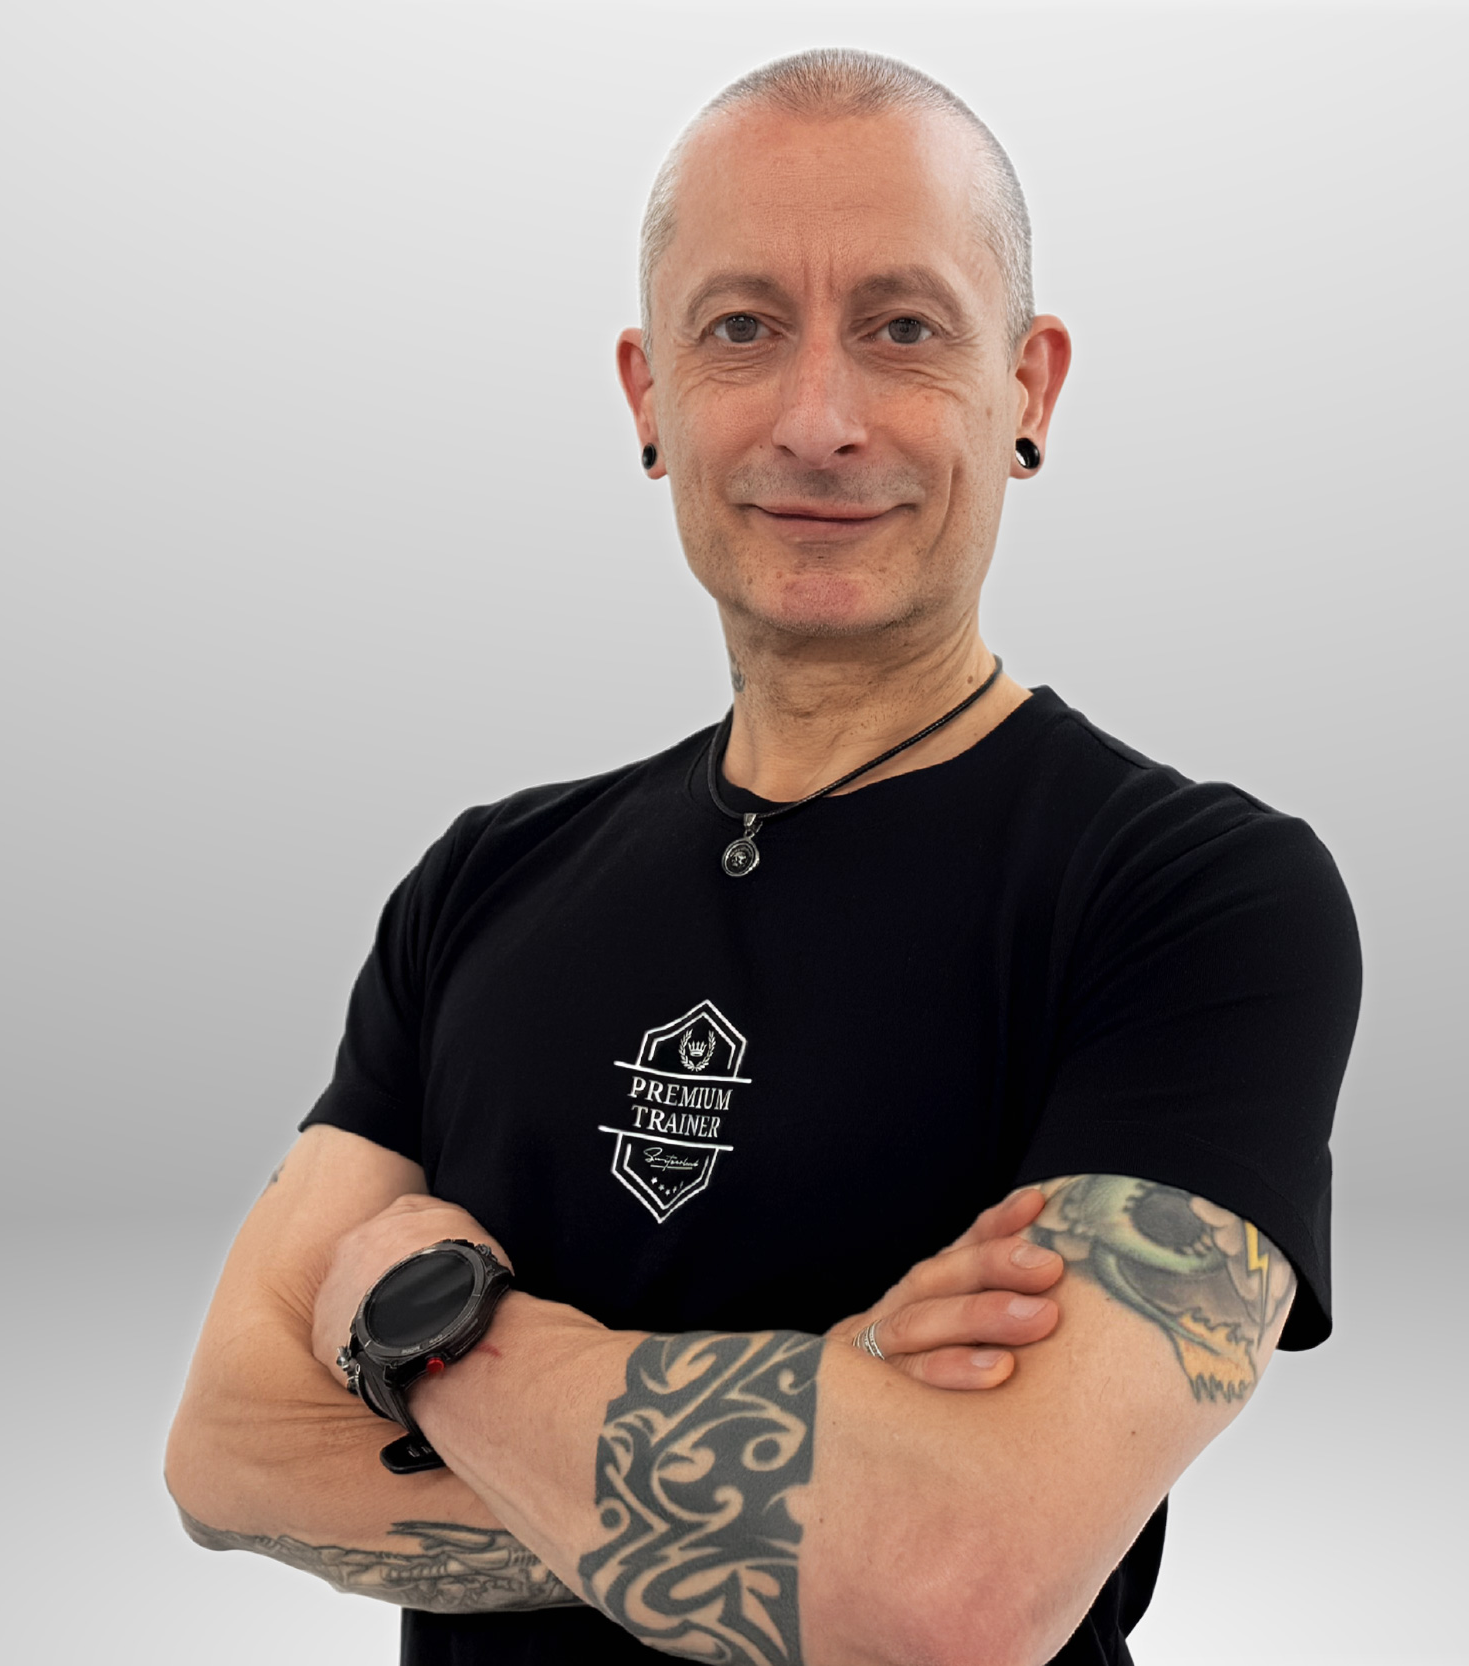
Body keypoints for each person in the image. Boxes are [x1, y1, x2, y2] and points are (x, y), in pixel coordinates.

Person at [165, 47, 1360, 1666]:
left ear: (1030, 388)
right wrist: (828, 1442)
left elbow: (955, 1585)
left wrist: (429, 1326)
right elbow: (229, 1452)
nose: (819, 418)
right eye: (740, 328)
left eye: (903, 327)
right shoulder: (479, 885)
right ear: (648, 397)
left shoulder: (1197, 901)